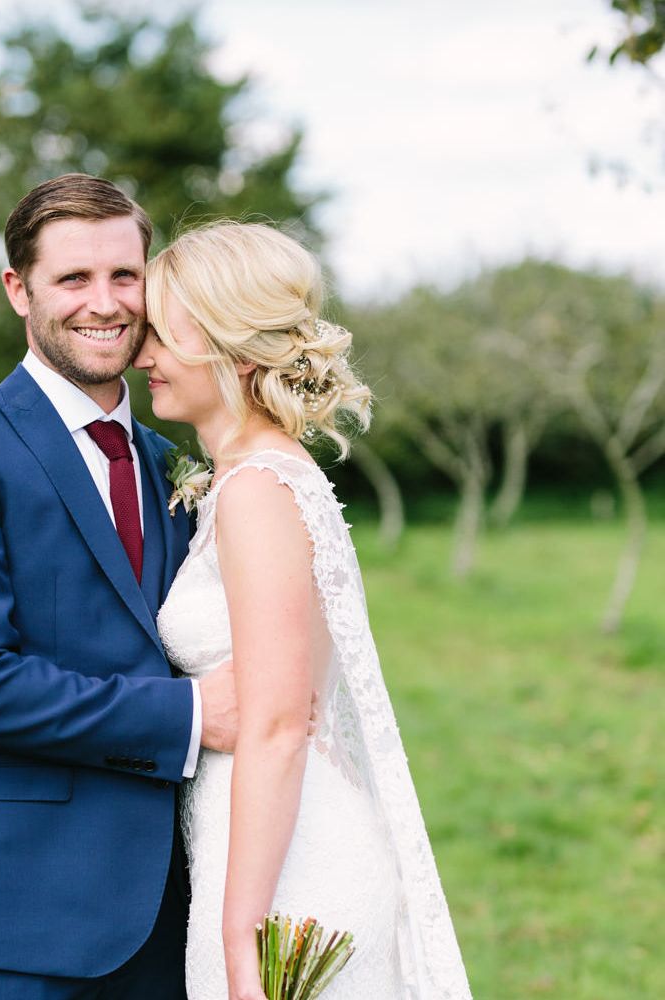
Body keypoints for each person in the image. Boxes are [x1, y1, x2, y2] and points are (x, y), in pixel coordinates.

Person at [0, 174, 241, 1000]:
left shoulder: (170, 462)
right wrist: (190, 714)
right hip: (17, 908)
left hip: (173, 906)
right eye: (73, 279)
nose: (105, 303)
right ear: (19, 289)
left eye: (125, 277)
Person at [136, 221, 474, 999]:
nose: (143, 355)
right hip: (263, 850)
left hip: (288, 883)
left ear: (231, 344)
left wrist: (239, 930)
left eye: (162, 334)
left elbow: (282, 723)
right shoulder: (249, 481)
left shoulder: (259, 490)